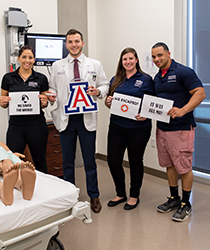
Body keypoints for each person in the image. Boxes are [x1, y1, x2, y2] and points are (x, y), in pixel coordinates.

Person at [48, 29, 109, 213]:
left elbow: (104, 84)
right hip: (66, 119)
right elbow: (52, 88)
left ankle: (94, 196)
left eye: (77, 41)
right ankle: (70, 197)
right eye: (70, 42)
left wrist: (98, 92)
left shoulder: (95, 64)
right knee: (67, 161)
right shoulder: (57, 66)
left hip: (86, 119)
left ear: (82, 43)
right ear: (66, 44)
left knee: (89, 160)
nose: (74, 45)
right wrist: (52, 97)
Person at [151, 42, 205, 222]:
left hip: (181, 129)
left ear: (168, 53)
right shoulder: (157, 77)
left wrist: (183, 110)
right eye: (154, 57)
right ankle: (174, 199)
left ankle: (185, 204)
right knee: (169, 165)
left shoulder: (183, 72)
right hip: (163, 128)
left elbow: (200, 93)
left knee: (184, 167)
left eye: (160, 55)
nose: (157, 59)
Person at [105, 48, 154, 210]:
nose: (128, 62)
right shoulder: (116, 79)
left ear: (137, 60)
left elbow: (153, 103)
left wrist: (146, 115)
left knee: (135, 162)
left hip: (138, 128)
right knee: (113, 161)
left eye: (131, 58)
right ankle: (120, 193)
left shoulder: (146, 79)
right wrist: (108, 102)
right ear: (122, 61)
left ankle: (134, 196)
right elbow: (109, 101)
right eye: (125, 59)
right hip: (117, 127)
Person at [0, 45, 49, 173]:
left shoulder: (41, 78)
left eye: (30, 57)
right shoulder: (8, 78)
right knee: (14, 161)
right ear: (18, 58)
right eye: (24, 57)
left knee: (40, 161)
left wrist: (45, 102)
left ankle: (45, 190)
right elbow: (3, 103)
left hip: (37, 126)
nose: (27, 60)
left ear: (34, 60)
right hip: (16, 127)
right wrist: (2, 102)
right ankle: (17, 188)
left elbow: (45, 103)